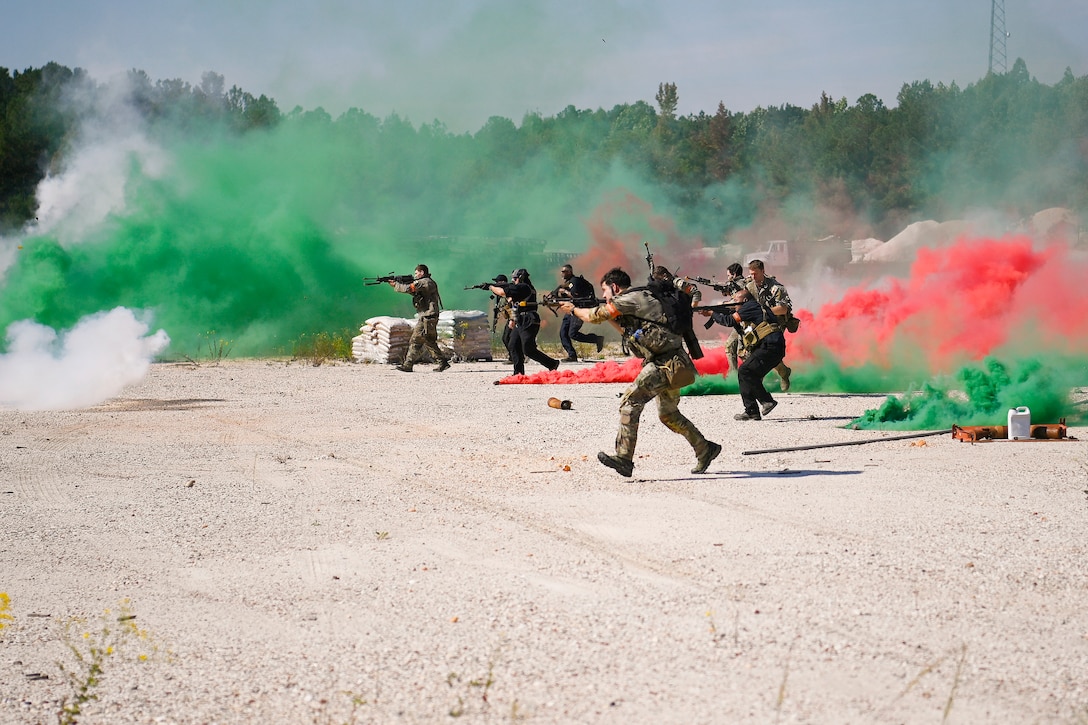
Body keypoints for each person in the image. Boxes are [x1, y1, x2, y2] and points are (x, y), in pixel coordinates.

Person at [559, 267, 721, 477]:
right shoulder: (640, 297)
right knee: (668, 414)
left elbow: (593, 316)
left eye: (605, 291)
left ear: (615, 287)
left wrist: (573, 309)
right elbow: (629, 333)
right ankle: (705, 448)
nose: (604, 296)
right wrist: (609, 316)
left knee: (629, 403)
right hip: (674, 361)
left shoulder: (630, 298)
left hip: (664, 364)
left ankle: (624, 458)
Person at [711, 287, 785, 420]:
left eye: (736, 301)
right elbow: (743, 331)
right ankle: (751, 411)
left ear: (744, 300)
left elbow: (729, 321)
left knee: (745, 371)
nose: (734, 303)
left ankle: (766, 401)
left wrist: (712, 313)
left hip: (770, 346)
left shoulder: (750, 306)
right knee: (745, 373)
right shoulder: (754, 308)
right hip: (772, 347)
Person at [489, 268, 560, 377]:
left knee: (528, 349)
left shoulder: (524, 287)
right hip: (520, 319)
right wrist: (512, 319)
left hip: (529, 319)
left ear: (521, 278)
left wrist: (490, 287)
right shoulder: (521, 288)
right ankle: (518, 373)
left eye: (515, 278)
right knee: (513, 344)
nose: (513, 280)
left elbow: (502, 292)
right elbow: (513, 302)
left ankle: (551, 363)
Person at [391, 264, 451, 373]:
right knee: (424, 341)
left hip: (428, 316)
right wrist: (397, 285)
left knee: (421, 340)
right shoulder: (423, 283)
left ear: (422, 272)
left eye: (416, 273)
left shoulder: (426, 282)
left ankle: (409, 365)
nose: (415, 275)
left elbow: (410, 288)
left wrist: (397, 285)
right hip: (425, 316)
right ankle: (440, 363)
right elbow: (413, 291)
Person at [745, 259, 793, 392]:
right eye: (751, 274)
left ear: (763, 271)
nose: (753, 277)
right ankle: (756, 384)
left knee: (768, 354)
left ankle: (783, 373)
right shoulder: (749, 287)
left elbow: (783, 309)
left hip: (774, 324)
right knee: (752, 352)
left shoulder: (776, 287)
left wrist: (762, 311)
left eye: (755, 274)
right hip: (756, 325)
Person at [554, 264, 605, 362]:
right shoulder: (567, 283)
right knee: (563, 333)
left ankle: (596, 339)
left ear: (569, 272)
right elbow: (556, 294)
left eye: (564, 271)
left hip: (579, 310)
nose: (562, 274)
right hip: (570, 310)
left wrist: (564, 291)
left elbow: (575, 295)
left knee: (572, 334)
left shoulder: (575, 282)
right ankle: (572, 355)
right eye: (561, 271)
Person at [490, 274, 515, 362]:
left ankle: (515, 356)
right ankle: (513, 356)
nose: (496, 283)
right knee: (506, 338)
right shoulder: (500, 295)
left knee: (509, 338)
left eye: (497, 282)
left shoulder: (509, 291)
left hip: (514, 318)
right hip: (510, 318)